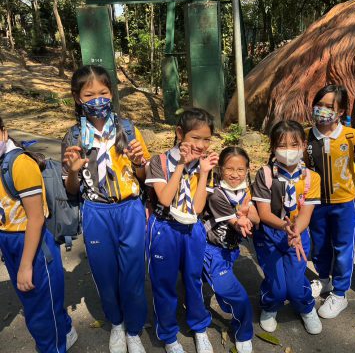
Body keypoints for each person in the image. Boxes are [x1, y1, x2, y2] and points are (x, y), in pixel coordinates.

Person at [62, 65, 150, 353]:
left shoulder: (128, 129)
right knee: (105, 275)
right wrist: (73, 171)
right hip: (97, 211)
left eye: (103, 92)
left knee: (133, 274)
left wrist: (139, 163)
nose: (97, 99)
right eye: (89, 94)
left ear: (112, 93)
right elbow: (71, 189)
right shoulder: (74, 138)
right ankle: (117, 323)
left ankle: (134, 330)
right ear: (78, 98)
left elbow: (144, 177)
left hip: (130, 209)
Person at [0, 117, 77, 352]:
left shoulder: (20, 165)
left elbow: (36, 218)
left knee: (41, 312)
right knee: (34, 301)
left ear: (3, 133)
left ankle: (52, 347)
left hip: (32, 243)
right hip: (9, 240)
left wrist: (25, 265)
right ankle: (65, 330)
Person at [145, 108, 218, 353]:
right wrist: (181, 166)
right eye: (195, 137)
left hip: (192, 229)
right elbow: (165, 199)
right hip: (164, 229)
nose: (201, 145)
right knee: (163, 283)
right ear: (179, 133)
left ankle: (199, 327)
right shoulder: (159, 161)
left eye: (206, 139)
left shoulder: (206, 165)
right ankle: (168, 335)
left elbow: (197, 208)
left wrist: (204, 172)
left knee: (194, 279)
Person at [306, 84, 355, 319]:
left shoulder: (351, 135)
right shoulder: (307, 136)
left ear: (340, 112)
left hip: (345, 203)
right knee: (319, 245)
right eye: (319, 104)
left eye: (329, 106)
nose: (322, 110)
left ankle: (339, 293)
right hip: (316, 203)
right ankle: (323, 280)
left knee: (343, 247)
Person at [252, 120, 322, 335]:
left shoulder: (312, 178)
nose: (289, 150)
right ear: (273, 147)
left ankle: (306, 307)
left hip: (298, 234)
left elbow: (306, 214)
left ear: (304, 145)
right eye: (282, 145)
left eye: (294, 144)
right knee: (277, 286)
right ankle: (270, 306)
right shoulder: (265, 174)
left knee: (295, 283)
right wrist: (286, 227)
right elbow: (264, 214)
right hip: (270, 234)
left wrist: (295, 231)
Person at [202, 146, 259, 353]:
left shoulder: (246, 191)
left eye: (240, 169)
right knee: (236, 295)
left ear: (247, 170)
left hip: (231, 250)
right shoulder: (216, 193)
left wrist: (248, 213)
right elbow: (235, 222)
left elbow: (256, 217)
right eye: (229, 169)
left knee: (214, 285)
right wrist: (241, 218)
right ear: (220, 169)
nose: (235, 174)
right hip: (212, 250)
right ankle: (243, 332)